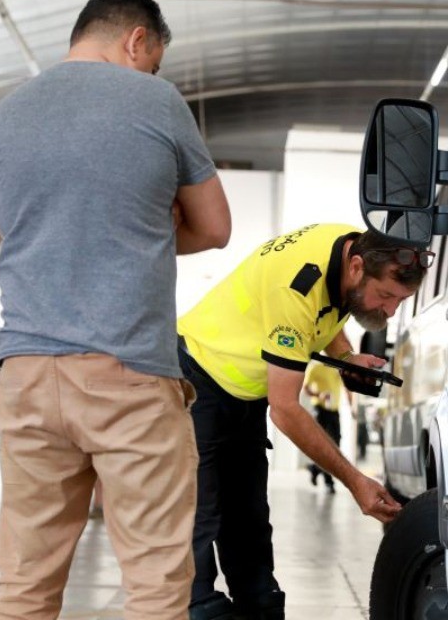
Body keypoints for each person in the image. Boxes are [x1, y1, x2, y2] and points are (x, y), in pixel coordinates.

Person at [0, 0, 231, 620]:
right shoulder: (156, 99)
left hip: (27, 374)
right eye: (152, 61)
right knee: (153, 583)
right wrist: (148, 225)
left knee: (24, 584)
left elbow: (14, 230)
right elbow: (214, 228)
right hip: (129, 375)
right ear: (136, 41)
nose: (151, 73)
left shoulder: (8, 111)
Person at [177, 223, 431, 620]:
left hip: (244, 392)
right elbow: (286, 410)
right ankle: (198, 608)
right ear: (358, 267)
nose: (389, 310)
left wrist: (346, 357)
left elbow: (327, 310)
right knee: (200, 520)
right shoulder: (296, 285)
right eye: (386, 296)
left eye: (401, 300)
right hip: (198, 378)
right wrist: (355, 480)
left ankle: (259, 608)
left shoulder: (352, 249)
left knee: (249, 526)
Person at [302, 362, 350, 492]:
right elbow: (305, 388)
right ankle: (329, 482)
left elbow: (345, 388)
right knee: (322, 445)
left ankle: (315, 468)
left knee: (335, 446)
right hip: (320, 409)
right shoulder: (316, 367)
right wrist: (319, 395)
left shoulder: (338, 369)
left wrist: (351, 406)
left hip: (334, 411)